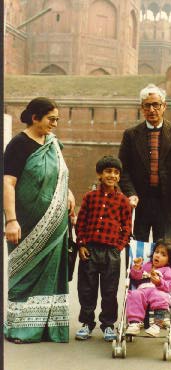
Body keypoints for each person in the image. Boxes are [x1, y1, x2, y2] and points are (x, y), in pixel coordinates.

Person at [3, 97, 75, 344]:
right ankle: (22, 328)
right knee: (23, 274)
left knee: (51, 273)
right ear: (35, 118)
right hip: (26, 221)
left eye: (57, 119)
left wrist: (68, 192)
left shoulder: (52, 143)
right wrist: (11, 220)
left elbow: (59, 174)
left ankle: (48, 327)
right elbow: (8, 183)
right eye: (50, 119)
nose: (55, 124)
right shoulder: (18, 145)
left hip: (55, 222)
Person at [118, 84, 171, 242]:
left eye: (156, 105)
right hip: (140, 204)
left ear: (164, 106)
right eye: (147, 105)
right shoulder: (131, 135)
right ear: (141, 108)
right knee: (138, 253)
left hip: (168, 203)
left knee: (165, 251)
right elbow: (123, 170)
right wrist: (130, 194)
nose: (151, 110)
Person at [75, 156, 132, 341]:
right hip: (90, 250)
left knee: (109, 290)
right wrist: (81, 244)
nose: (112, 175)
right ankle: (86, 323)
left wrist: (118, 248)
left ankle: (108, 325)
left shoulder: (123, 201)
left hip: (111, 253)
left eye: (116, 172)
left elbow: (127, 228)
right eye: (108, 171)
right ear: (100, 174)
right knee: (87, 289)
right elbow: (81, 223)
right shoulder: (90, 197)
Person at [126, 239, 171, 337]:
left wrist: (159, 282)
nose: (158, 255)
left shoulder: (167, 270)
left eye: (163, 254)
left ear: (169, 260)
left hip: (158, 291)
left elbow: (169, 286)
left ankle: (157, 324)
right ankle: (134, 323)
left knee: (161, 297)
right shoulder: (147, 266)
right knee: (134, 294)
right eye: (156, 252)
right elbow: (136, 277)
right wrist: (137, 268)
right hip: (143, 290)